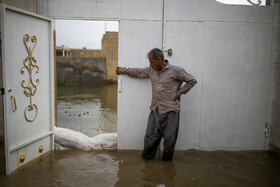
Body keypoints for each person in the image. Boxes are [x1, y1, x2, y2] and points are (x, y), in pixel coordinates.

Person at [116, 48, 197, 161]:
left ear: (159, 59)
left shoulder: (176, 70)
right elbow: (138, 72)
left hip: (171, 110)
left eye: (151, 62)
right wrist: (122, 70)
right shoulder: (151, 70)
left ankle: (167, 167)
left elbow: (192, 80)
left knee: (170, 139)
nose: (150, 64)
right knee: (150, 137)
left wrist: (180, 93)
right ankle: (148, 165)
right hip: (155, 109)